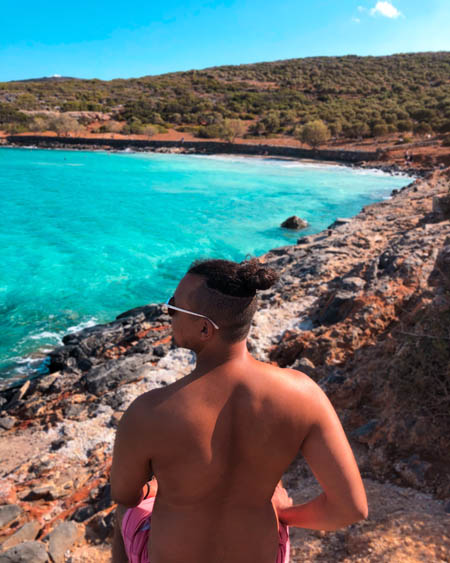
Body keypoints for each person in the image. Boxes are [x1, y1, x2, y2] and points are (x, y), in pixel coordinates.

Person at [111, 258, 368, 563]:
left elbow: (126, 496)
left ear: (205, 328)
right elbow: (351, 508)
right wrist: (285, 513)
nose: (170, 312)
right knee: (274, 488)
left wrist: (157, 485)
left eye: (175, 306)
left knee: (124, 516)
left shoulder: (150, 411)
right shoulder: (303, 394)